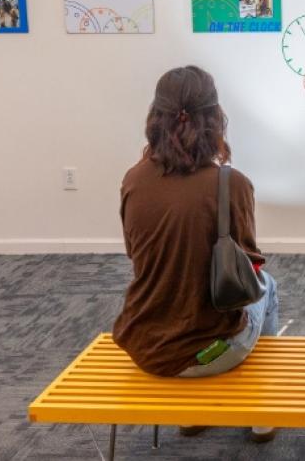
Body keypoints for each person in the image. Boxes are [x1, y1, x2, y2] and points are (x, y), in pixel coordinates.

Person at [112, 65, 279, 444]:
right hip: (209, 354)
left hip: (145, 346)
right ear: (215, 120)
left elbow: (134, 254)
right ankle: (263, 415)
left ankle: (190, 415)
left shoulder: (133, 179)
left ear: (156, 118)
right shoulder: (231, 183)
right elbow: (249, 266)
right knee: (269, 287)